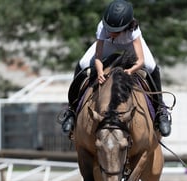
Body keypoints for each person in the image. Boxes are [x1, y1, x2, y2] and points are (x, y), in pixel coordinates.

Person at [61, 0, 171, 137]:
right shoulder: (102, 27)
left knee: (152, 67)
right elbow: (98, 56)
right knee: (82, 64)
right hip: (109, 45)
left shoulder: (133, 30)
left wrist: (130, 71)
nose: (111, 33)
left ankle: (161, 111)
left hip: (130, 44)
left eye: (116, 31)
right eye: (109, 29)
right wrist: (100, 72)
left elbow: (141, 61)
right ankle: (71, 110)